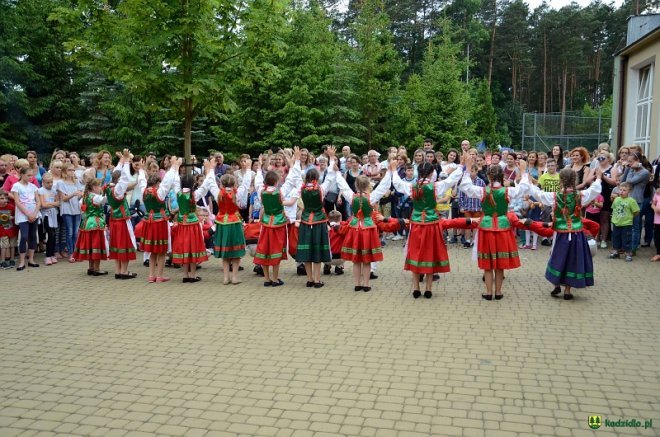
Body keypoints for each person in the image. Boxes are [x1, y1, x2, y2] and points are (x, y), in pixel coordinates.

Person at [391, 160, 475, 299]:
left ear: (419, 173)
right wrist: (461, 166)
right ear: (431, 173)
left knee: (415, 253)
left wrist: (394, 170)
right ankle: (428, 288)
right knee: (430, 253)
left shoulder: (411, 186)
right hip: (431, 223)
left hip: (417, 223)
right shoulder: (436, 186)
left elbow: (397, 183)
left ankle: (416, 287)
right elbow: (451, 180)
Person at [460, 156, 530, 300]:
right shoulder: (507, 191)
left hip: (486, 228)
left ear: (488, 176)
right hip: (503, 227)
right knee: (500, 263)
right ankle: (498, 292)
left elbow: (465, 187)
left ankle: (488, 292)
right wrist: (523, 171)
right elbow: (524, 189)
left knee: (488, 263)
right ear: (502, 176)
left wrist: (467, 170)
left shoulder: (482, 191)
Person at [528, 168, 603, 300]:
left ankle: (556, 283)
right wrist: (598, 178)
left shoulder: (554, 196)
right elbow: (595, 189)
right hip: (576, 233)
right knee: (573, 259)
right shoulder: (580, 195)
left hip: (561, 233)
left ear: (561, 180)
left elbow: (537, 194)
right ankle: (567, 291)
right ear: (575, 180)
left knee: (558, 257)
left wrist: (528, 182)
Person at [334, 161, 393, 292]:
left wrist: (336, 171)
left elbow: (343, 186)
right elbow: (383, 186)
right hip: (367, 228)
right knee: (366, 259)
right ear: (368, 185)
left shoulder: (352, 196)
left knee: (356, 260)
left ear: (356, 185)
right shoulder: (371, 197)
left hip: (355, 227)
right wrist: (389, 172)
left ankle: (357, 284)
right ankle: (366, 284)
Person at [253, 148, 302, 286]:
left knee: (265, 249)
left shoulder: (261, 191)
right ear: (276, 181)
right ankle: (275, 279)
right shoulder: (279, 192)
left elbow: (257, 182)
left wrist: (258, 169)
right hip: (278, 224)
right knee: (275, 250)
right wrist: (295, 163)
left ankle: (267, 279)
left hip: (266, 222)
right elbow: (292, 181)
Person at [296, 147, 338, 288]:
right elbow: (331, 176)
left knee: (307, 249)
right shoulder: (320, 189)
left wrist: (295, 161)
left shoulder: (301, 188)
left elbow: (295, 176)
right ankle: (317, 280)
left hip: (306, 220)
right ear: (317, 177)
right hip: (319, 221)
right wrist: (332, 159)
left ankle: (309, 279)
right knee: (318, 250)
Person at [208, 158, 254, 285]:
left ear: (221, 185)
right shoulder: (237, 193)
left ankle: (225, 277)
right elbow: (245, 184)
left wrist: (210, 169)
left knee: (225, 251)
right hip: (234, 222)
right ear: (234, 185)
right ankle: (234, 277)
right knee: (235, 251)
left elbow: (211, 183)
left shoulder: (218, 193)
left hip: (222, 223)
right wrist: (249, 169)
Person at [171, 159, 216, 283]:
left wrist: (175, 167)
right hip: (193, 224)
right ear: (192, 184)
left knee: (185, 248)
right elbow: (205, 187)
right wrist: (209, 171)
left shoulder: (178, 193)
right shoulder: (193, 195)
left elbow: (175, 182)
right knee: (193, 247)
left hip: (181, 223)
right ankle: (192, 275)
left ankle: (185, 275)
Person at [141, 157, 180, 283]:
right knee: (161, 251)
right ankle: (159, 276)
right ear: (158, 183)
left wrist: (142, 169)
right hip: (159, 222)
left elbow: (141, 179)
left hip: (148, 222)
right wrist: (175, 166)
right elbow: (168, 181)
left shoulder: (144, 191)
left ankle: (151, 275)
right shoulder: (160, 192)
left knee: (152, 250)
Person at [105, 151, 139, 279]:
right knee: (125, 244)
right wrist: (126, 162)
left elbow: (117, 174)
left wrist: (123, 160)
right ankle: (124, 271)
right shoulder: (118, 190)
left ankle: (118, 270)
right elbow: (124, 177)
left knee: (116, 244)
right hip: (122, 220)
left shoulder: (109, 186)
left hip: (114, 219)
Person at [73, 178, 108, 276]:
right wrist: (106, 190)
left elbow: (81, 208)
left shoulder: (84, 197)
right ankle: (96, 269)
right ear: (93, 187)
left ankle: (91, 267)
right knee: (96, 245)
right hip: (96, 223)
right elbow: (104, 200)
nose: (100, 188)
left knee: (90, 245)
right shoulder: (95, 197)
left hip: (86, 222)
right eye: (99, 186)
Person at [11, 166, 41, 271]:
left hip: (34, 214)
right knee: (24, 236)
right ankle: (22, 261)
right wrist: (28, 214)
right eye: (28, 175)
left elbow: (38, 201)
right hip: (23, 214)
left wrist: (35, 213)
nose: (30, 177)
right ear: (22, 175)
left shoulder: (33, 186)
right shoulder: (16, 186)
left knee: (33, 236)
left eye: (31, 175)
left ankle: (31, 259)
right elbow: (17, 202)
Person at [609, 182, 639, 262]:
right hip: (616, 222)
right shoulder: (616, 199)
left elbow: (636, 211)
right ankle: (616, 251)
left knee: (626, 238)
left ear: (629, 191)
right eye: (620, 190)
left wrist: (630, 217)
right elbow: (614, 208)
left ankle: (628, 253)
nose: (622, 192)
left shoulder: (631, 201)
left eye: (624, 190)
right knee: (615, 237)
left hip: (626, 223)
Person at [37, 173, 60, 266]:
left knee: (54, 235)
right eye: (48, 183)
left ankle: (52, 254)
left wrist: (50, 204)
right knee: (50, 234)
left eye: (51, 182)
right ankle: (47, 256)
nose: (50, 184)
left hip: (54, 214)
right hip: (46, 215)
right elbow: (43, 205)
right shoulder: (40, 191)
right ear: (43, 182)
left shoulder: (54, 191)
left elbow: (58, 203)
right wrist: (53, 204)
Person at [0, 189, 18, 269]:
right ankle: (3, 261)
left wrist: (12, 217)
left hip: (12, 230)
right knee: (4, 246)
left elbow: (16, 216)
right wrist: (5, 217)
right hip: (2, 231)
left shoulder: (11, 207)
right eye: (2, 198)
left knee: (13, 245)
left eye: (6, 198)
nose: (4, 200)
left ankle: (12, 260)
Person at [651, 186, 660, 262]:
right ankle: (658, 253)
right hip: (657, 220)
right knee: (657, 237)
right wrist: (655, 208)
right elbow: (653, 204)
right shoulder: (657, 193)